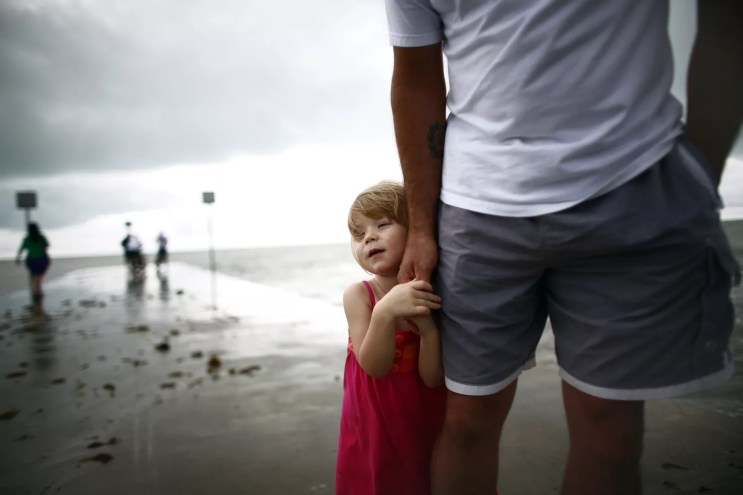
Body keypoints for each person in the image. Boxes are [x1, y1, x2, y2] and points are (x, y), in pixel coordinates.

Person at [384, 1, 742, 494]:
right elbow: (417, 76)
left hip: (627, 181)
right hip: (474, 210)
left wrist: (702, 173)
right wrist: (421, 228)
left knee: (608, 427)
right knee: (468, 417)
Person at [335, 180, 447, 495]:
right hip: (376, 423)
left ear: (416, 232)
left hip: (422, 417)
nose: (368, 236)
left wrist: (427, 331)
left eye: (382, 225)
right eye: (358, 234)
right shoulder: (359, 295)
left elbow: (433, 378)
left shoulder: (429, 289)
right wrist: (385, 312)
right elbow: (374, 365)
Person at [15, 222, 51, 303]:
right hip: (41, 259)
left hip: (31, 260)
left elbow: (21, 249)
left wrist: (18, 258)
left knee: (34, 276)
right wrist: (44, 252)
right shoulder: (41, 237)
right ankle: (38, 291)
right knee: (39, 277)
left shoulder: (27, 238)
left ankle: (36, 292)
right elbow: (46, 246)